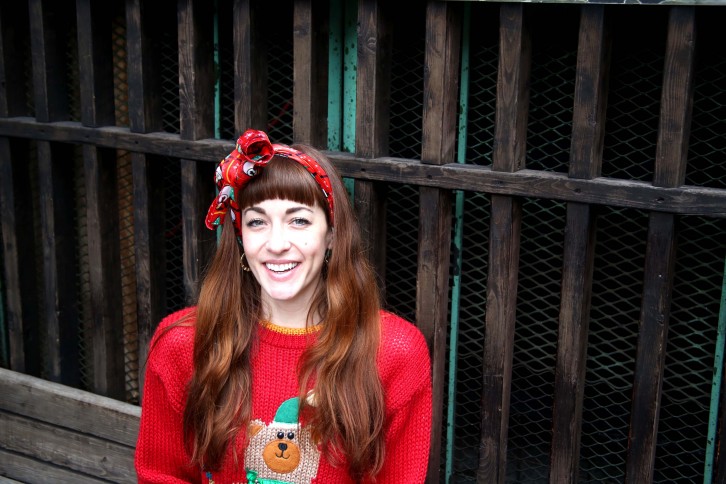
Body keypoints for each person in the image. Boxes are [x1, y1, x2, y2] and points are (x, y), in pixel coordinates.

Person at [135, 129, 432, 483]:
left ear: (332, 234)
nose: (276, 244)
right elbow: (161, 475)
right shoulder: (183, 343)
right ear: (240, 237)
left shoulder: (396, 352)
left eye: (299, 220)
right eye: (257, 221)